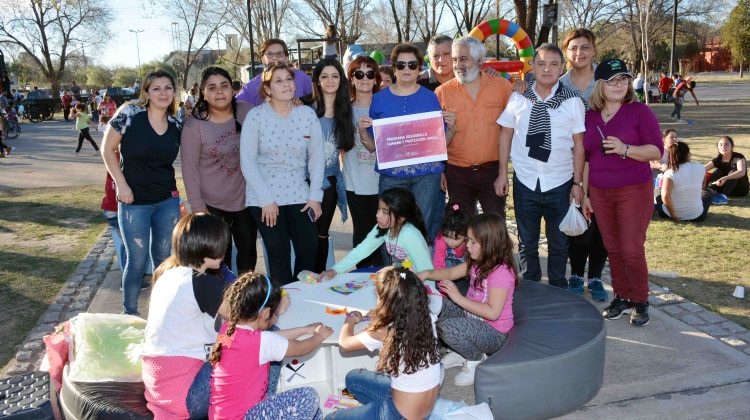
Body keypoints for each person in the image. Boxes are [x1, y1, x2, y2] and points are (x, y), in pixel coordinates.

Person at [496, 43, 586, 289]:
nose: (547, 69)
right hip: (525, 180)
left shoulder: (573, 101)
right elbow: (505, 134)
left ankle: (558, 286)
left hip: (560, 181)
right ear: (532, 66)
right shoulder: (518, 97)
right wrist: (502, 174)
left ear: (561, 68)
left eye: (554, 64)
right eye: (542, 63)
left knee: (559, 242)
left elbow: (579, 145)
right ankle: (531, 286)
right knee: (527, 241)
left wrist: (578, 183)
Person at [582, 59, 663, 327]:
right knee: (612, 247)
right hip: (599, 190)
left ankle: (640, 300)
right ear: (600, 85)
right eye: (613, 80)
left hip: (633, 189)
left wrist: (626, 149)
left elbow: (656, 151)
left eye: (624, 79)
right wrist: (585, 193)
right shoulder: (590, 116)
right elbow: (587, 158)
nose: (620, 85)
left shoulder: (639, 111)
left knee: (630, 248)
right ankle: (622, 296)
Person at [101, 69, 182, 315]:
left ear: (174, 91)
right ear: (146, 91)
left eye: (168, 87)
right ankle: (130, 313)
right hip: (134, 202)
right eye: (156, 88)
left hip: (167, 202)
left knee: (163, 260)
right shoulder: (129, 113)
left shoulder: (177, 122)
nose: (162, 93)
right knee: (136, 262)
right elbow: (107, 149)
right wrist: (121, 185)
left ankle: (160, 313)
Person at [240, 63, 323, 286]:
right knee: (279, 255)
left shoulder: (307, 114)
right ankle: (281, 307)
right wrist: (266, 201)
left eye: (289, 79)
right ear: (267, 88)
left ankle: (302, 301)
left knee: (308, 251)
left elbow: (316, 158)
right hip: (264, 197)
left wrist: (315, 197)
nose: (287, 84)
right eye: (279, 80)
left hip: (300, 194)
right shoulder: (255, 117)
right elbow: (247, 162)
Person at [141, 213, 231, 419]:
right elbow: (247, 318)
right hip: (187, 393)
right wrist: (277, 303)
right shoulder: (201, 282)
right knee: (257, 347)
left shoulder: (168, 273)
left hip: (161, 389)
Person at [208, 273, 332, 419]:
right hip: (245, 416)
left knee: (316, 413)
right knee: (309, 398)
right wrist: (320, 336)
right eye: (276, 313)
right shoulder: (261, 341)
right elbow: (300, 348)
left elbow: (273, 340)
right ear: (266, 313)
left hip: (224, 415)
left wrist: (304, 330)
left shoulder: (229, 328)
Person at [326, 267, 441, 419]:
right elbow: (403, 281)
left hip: (398, 414)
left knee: (331, 418)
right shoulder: (427, 315)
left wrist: (351, 318)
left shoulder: (383, 331)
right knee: (352, 379)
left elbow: (344, 343)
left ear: (387, 301)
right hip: (425, 406)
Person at [358, 43, 445, 242]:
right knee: (388, 230)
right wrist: (363, 132)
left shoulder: (431, 98)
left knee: (419, 229)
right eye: (401, 64)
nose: (406, 69)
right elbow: (373, 146)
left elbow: (440, 143)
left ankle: (416, 273)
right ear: (393, 67)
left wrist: (453, 127)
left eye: (412, 65)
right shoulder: (379, 100)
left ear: (420, 68)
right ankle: (392, 273)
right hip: (392, 175)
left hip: (427, 176)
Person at [418, 213, 516, 386]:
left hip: (494, 332)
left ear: (488, 243)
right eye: (468, 240)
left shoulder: (502, 272)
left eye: (472, 242)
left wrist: (458, 298)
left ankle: (476, 358)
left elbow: (493, 313)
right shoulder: (477, 261)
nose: (467, 246)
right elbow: (449, 272)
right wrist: (426, 274)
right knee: (432, 303)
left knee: (447, 329)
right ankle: (462, 351)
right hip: (471, 317)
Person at [182, 67, 258, 275]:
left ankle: (244, 296)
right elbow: (189, 169)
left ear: (232, 89)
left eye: (224, 86)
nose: (219, 92)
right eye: (212, 88)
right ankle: (221, 301)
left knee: (248, 252)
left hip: (246, 199)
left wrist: (297, 102)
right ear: (203, 93)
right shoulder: (194, 125)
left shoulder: (247, 111)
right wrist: (198, 208)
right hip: (212, 204)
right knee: (217, 258)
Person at [435, 36, 512, 217]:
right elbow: (435, 139)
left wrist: (503, 174)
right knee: (462, 229)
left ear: (480, 60)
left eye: (463, 58)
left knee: (494, 229)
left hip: (492, 171)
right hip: (457, 174)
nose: (457, 64)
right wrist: (439, 170)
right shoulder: (441, 93)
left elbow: (513, 128)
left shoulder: (502, 87)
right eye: (454, 59)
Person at [558, 28, 608, 300]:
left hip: (602, 160)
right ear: (566, 51)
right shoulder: (559, 82)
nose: (580, 52)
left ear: (593, 50)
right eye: (574, 47)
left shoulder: (604, 80)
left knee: (600, 223)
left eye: (585, 47)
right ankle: (576, 273)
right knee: (578, 219)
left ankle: (596, 276)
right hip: (570, 161)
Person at [318, 187, 433, 280]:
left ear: (401, 218)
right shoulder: (383, 228)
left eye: (385, 212)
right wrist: (335, 270)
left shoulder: (411, 236)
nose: (378, 215)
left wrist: (429, 300)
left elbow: (427, 272)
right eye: (378, 208)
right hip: (401, 280)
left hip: (414, 286)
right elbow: (361, 250)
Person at [310, 58, 354, 272]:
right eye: (324, 76)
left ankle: (317, 278)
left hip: (331, 184)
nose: (330, 80)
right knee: (306, 236)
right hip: (305, 183)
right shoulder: (305, 110)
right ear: (317, 81)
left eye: (335, 76)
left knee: (321, 234)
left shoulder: (346, 113)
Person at [344, 55, 383, 269]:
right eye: (359, 74)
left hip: (382, 182)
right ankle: (361, 279)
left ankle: (383, 279)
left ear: (376, 79)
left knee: (383, 234)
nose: (364, 78)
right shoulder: (344, 110)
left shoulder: (384, 107)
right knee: (361, 234)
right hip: (354, 183)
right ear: (351, 79)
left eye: (370, 74)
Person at [236, 39, 313, 106]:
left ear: (286, 58)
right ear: (262, 58)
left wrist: (302, 101)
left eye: (279, 53)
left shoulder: (301, 77)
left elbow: (314, 97)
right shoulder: (250, 87)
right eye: (269, 54)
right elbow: (234, 107)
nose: (275, 58)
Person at [656, 141, 715, 222]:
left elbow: (665, 196)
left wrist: (673, 214)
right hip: (696, 215)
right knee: (709, 192)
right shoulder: (701, 167)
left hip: (668, 214)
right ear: (688, 154)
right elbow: (703, 186)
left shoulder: (669, 173)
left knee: (658, 191)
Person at [705, 135, 749, 202]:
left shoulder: (739, 157)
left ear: (732, 146)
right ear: (718, 147)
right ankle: (710, 191)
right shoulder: (718, 160)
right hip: (721, 188)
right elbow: (702, 169)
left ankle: (723, 197)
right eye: (721, 145)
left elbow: (741, 172)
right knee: (718, 171)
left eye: (726, 144)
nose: (723, 147)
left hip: (740, 189)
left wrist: (725, 178)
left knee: (734, 171)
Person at [432, 201, 470, 270]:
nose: (450, 242)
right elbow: (438, 264)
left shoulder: (470, 241)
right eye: (447, 236)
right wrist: (441, 279)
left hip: (463, 265)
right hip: (445, 263)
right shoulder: (440, 239)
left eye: (455, 239)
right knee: (447, 263)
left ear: (465, 235)